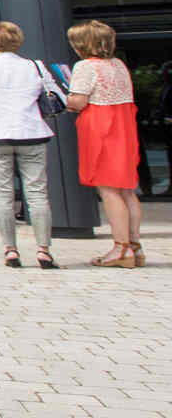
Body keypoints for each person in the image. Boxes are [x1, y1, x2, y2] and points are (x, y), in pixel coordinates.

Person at [0, 21, 58, 269]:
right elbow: (56, 95)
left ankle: (10, 250)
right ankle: (44, 250)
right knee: (37, 193)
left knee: (2, 194)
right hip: (32, 132)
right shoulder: (34, 66)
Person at [66, 20, 143, 269]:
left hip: (100, 127)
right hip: (123, 125)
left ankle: (120, 249)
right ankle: (134, 246)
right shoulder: (119, 65)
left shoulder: (85, 67)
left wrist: (63, 96)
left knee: (108, 189)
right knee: (127, 189)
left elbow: (78, 101)